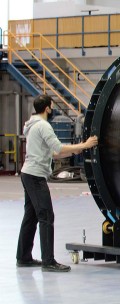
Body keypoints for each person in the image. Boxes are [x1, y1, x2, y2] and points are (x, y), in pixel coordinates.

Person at [16, 94, 98, 272]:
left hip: (27, 173)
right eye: (51, 107)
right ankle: (48, 261)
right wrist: (84, 145)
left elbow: (53, 153)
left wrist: (76, 150)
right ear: (47, 108)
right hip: (36, 176)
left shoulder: (31, 125)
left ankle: (23, 257)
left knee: (30, 216)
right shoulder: (44, 126)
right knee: (46, 216)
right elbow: (58, 148)